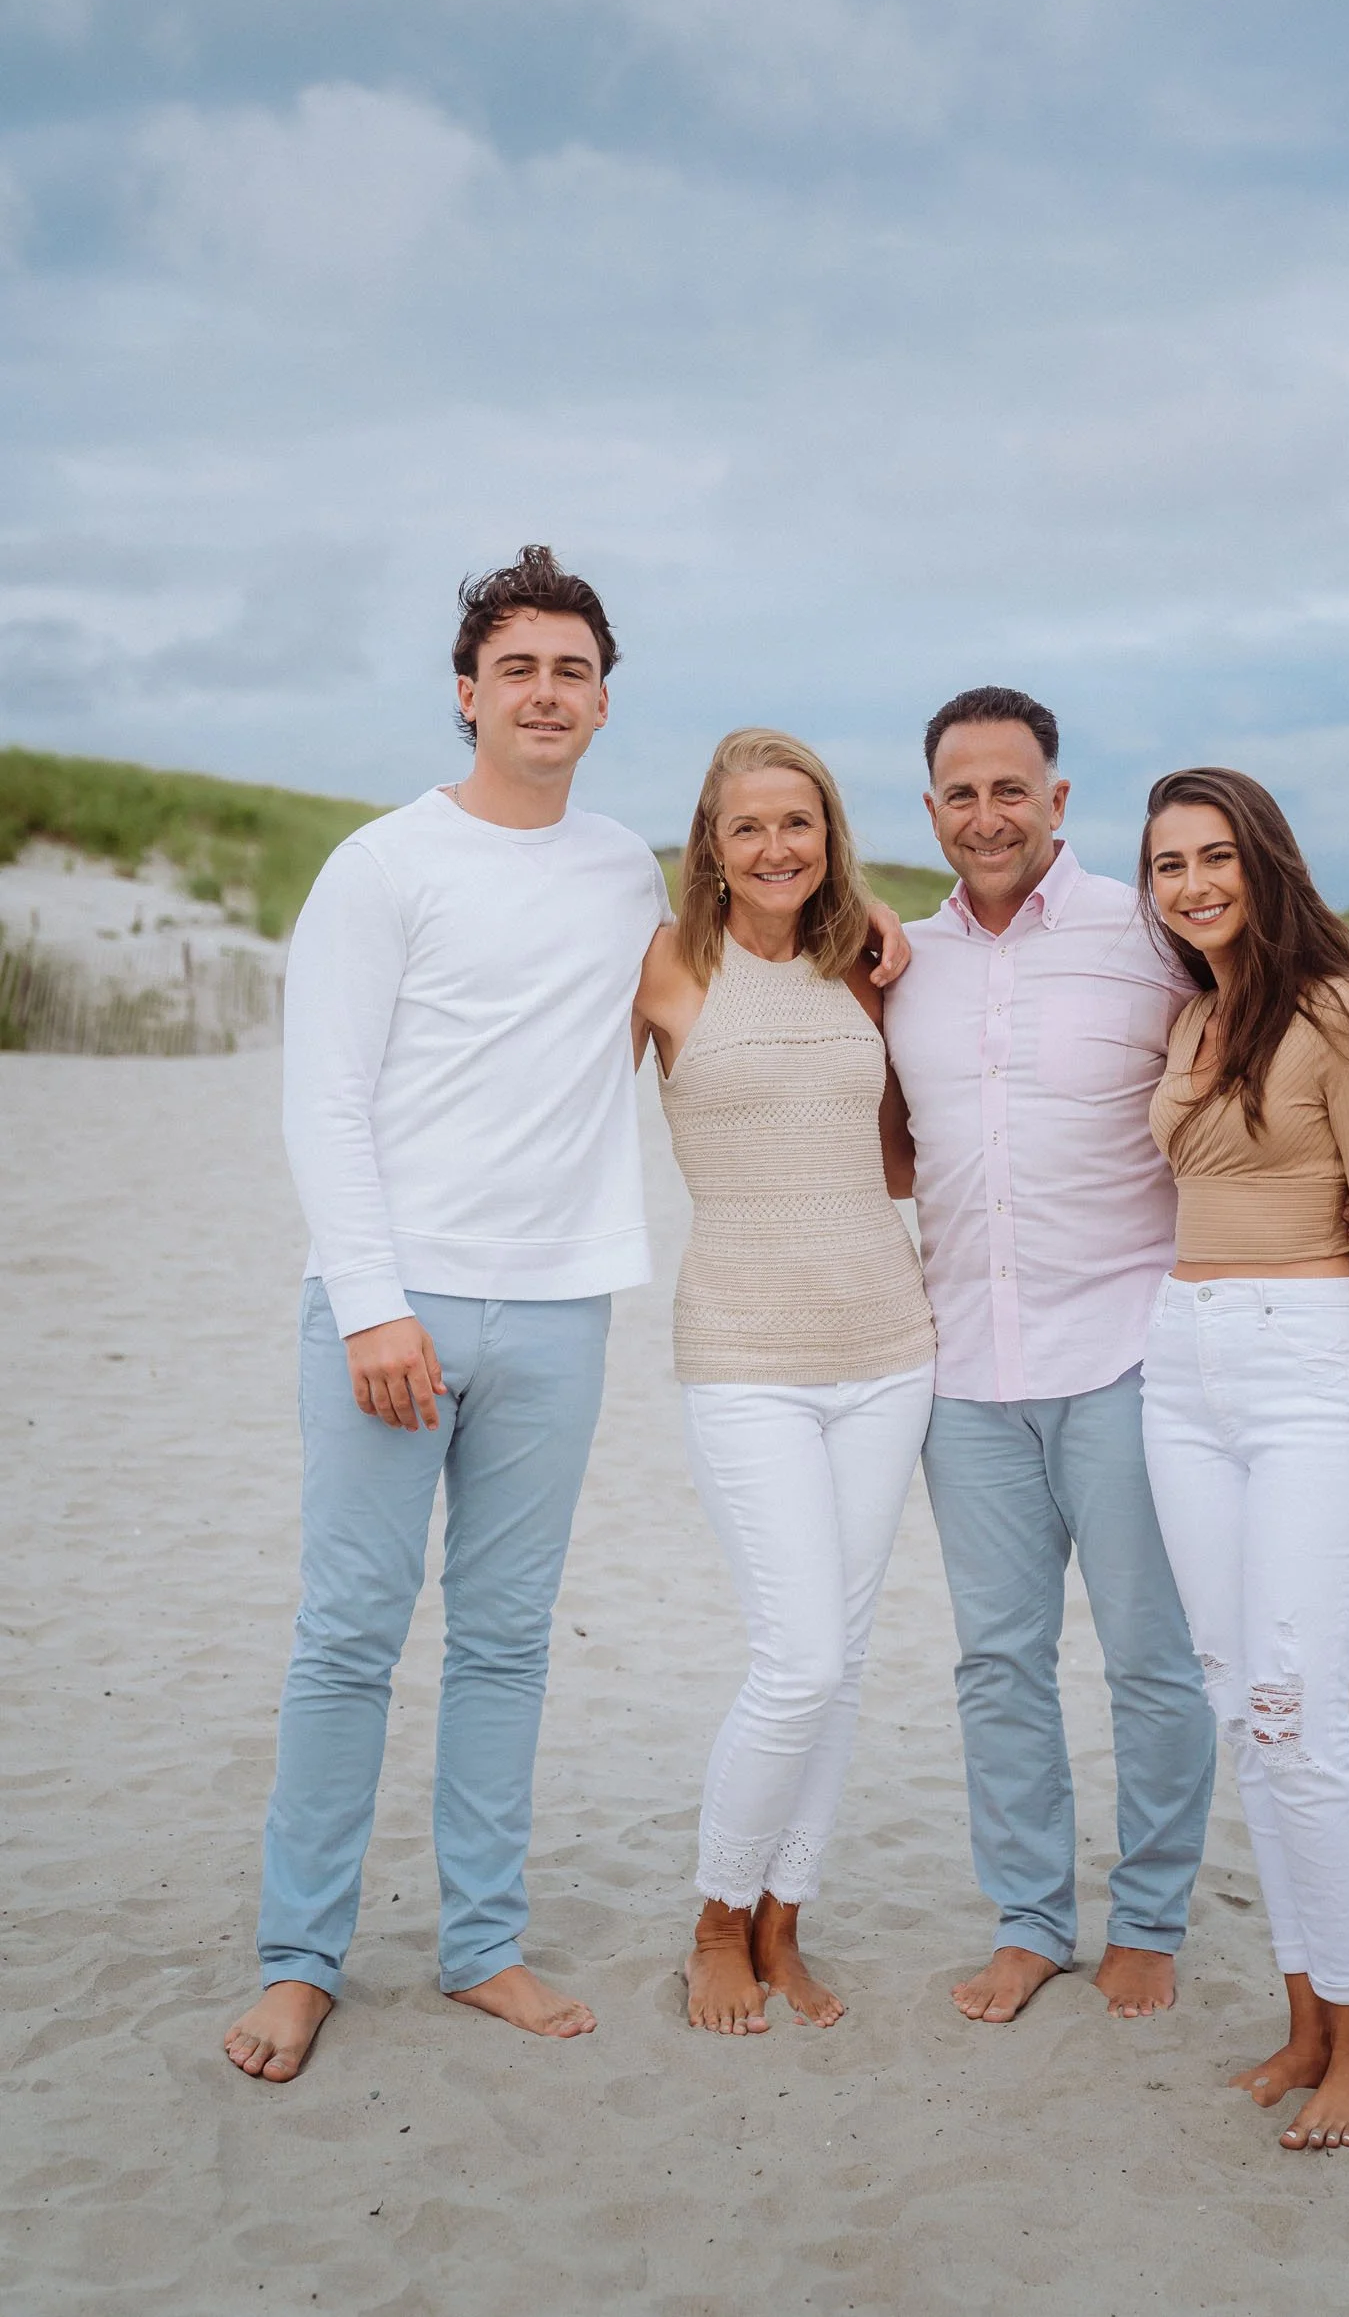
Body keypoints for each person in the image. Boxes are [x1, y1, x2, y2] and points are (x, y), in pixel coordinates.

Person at [223, 554, 909, 2085]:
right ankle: (297, 1961)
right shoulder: (381, 865)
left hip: (558, 1311)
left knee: (506, 1642)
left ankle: (481, 1949)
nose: (546, 692)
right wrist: (373, 1306)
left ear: (604, 703)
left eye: (573, 670)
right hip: (385, 1311)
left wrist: (888, 934)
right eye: (517, 667)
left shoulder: (625, 882)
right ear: (467, 692)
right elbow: (323, 1102)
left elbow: (770, 947)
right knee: (347, 1638)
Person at [882, 688, 1216, 2026]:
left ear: (1058, 800)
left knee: (1148, 1657)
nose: (985, 816)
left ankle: (1147, 1920)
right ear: (929, 813)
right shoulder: (895, 960)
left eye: (1009, 789)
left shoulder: (1150, 939)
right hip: (961, 1376)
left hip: (1126, 1352)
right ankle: (1028, 1921)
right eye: (959, 794)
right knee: (997, 1664)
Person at [1136, 766, 1349, 2153]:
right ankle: (1305, 2019)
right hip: (1181, 1362)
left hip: (1307, 1369)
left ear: (1263, 861)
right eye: (1164, 866)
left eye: (1214, 857)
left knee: (1296, 1713)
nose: (1190, 884)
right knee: (1232, 1701)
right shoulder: (1196, 1014)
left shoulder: (1340, 1010)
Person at [635, 729, 936, 2036]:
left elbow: (900, 1157)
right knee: (798, 1656)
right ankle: (713, 1916)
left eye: (797, 825)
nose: (774, 848)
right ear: (710, 841)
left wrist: (882, 928)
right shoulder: (665, 964)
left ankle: (781, 1923)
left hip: (885, 1347)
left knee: (846, 1655)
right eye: (747, 827)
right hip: (744, 1355)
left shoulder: (862, 967)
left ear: (830, 838)